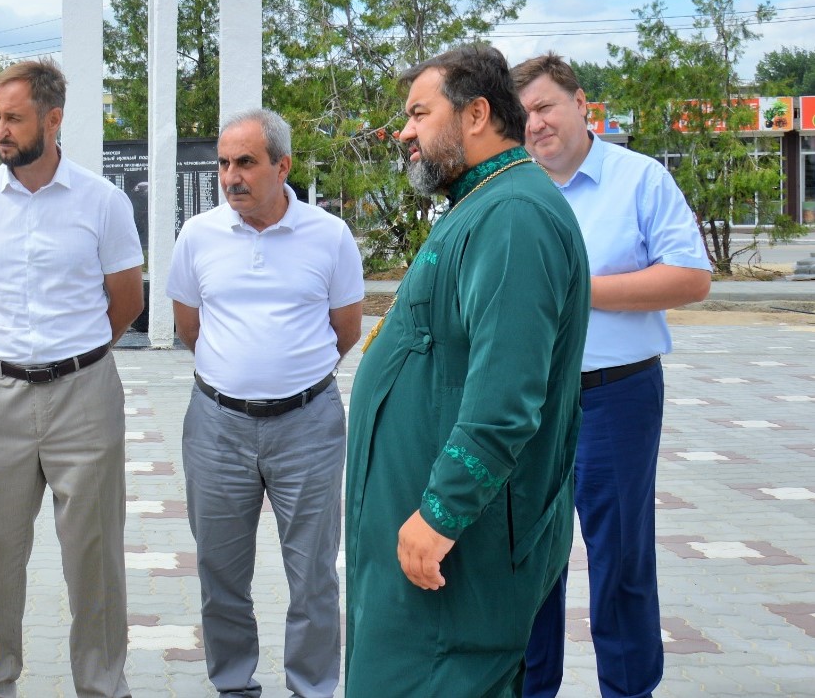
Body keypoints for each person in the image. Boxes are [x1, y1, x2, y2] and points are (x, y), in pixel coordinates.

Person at [343, 46, 589, 698]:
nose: (403, 131)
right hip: (434, 566)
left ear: (475, 113)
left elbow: (505, 398)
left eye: (419, 113)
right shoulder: (482, 202)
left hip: (458, 562)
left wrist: (440, 513)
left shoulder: (513, 216)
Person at [0, 58, 145, 698]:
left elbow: (126, 301)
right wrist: (12, 353)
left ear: (53, 120)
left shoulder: (102, 202)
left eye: (13, 118)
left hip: (85, 396)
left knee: (95, 558)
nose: (0, 131)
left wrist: (71, 356)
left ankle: (102, 685)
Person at [513, 54, 711, 698]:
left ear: (580, 103)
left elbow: (690, 277)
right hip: (527, 405)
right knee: (528, 561)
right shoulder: (514, 190)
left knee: (620, 559)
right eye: (523, 115)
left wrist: (582, 289)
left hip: (615, 396)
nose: (536, 124)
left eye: (545, 106)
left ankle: (629, 690)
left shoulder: (640, 180)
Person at [166, 108, 364, 698]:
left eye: (246, 163)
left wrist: (287, 376)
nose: (232, 176)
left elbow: (345, 329)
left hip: (308, 426)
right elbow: (188, 326)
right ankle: (234, 685)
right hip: (216, 426)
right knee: (221, 573)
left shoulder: (329, 235)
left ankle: (312, 687)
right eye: (224, 163)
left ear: (283, 166)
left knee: (313, 576)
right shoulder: (197, 235)